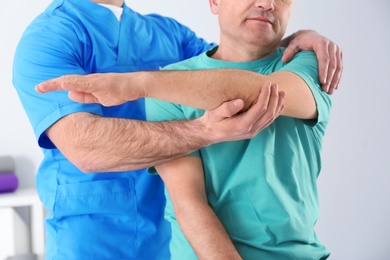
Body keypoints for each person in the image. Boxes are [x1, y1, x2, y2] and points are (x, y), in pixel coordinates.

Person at [15, 0, 342, 259]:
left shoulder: (166, 35)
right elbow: (86, 148)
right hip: (92, 240)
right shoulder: (49, 38)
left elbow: (231, 65)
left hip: (170, 241)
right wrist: (206, 131)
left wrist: (295, 37)